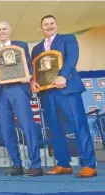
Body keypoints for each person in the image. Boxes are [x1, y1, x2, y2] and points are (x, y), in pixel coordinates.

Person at [30, 15, 97, 178]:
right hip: (47, 93)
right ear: (41, 28)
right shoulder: (37, 49)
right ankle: (63, 164)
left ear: (57, 25)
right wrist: (33, 82)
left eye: (52, 23)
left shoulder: (68, 39)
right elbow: (36, 70)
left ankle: (89, 164)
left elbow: (72, 59)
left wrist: (63, 76)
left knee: (78, 125)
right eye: (45, 24)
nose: (49, 26)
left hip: (67, 89)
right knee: (55, 129)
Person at [0, 21, 43, 177]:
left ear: (10, 30)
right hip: (1, 93)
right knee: (6, 131)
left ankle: (36, 166)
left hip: (18, 89)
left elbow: (30, 66)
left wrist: (30, 76)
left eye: (4, 28)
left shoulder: (21, 45)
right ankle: (16, 165)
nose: (2, 31)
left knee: (27, 127)